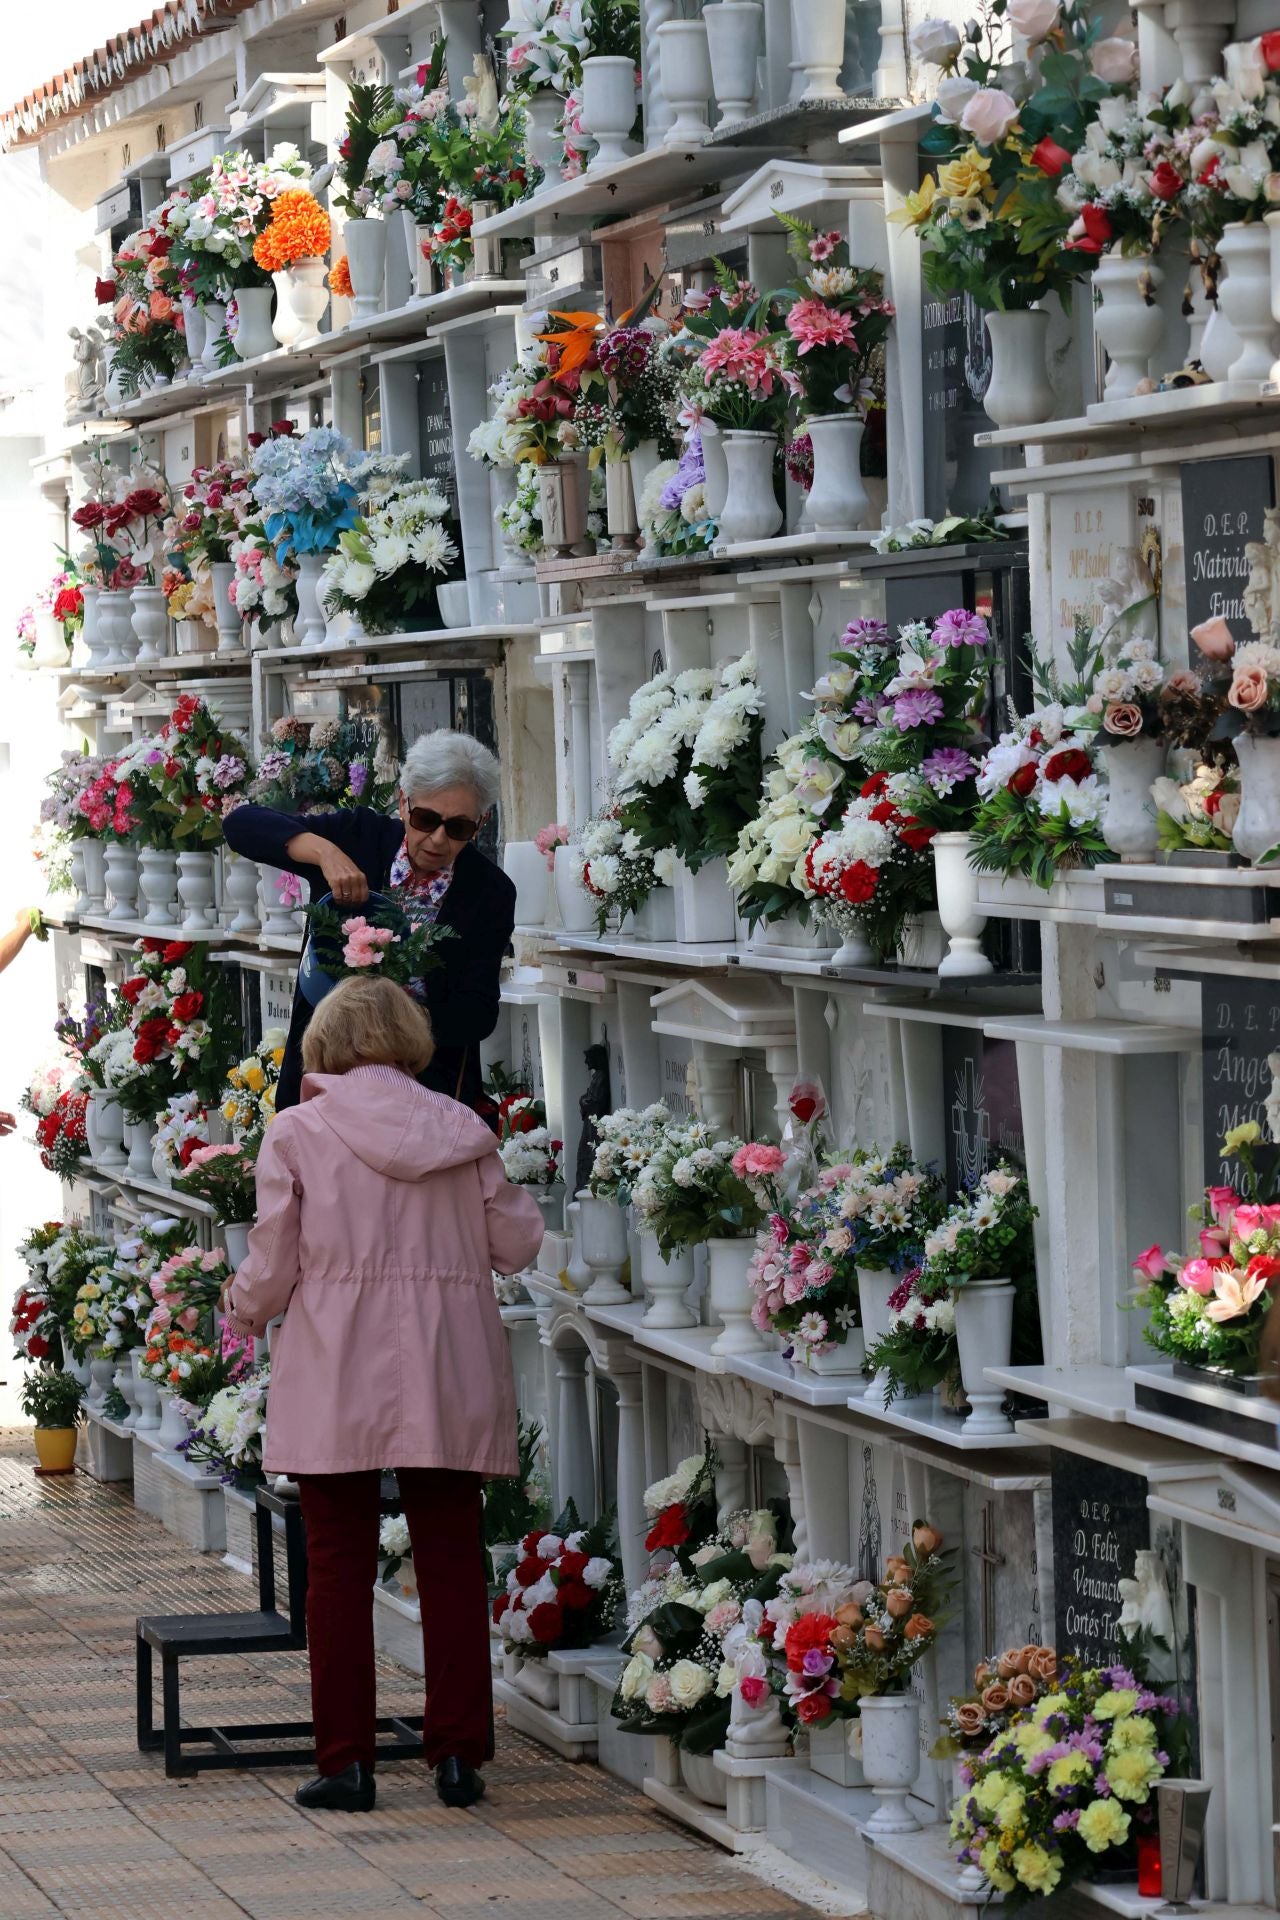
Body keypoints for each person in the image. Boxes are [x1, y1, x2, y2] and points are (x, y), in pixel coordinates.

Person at [223, 975, 544, 1813]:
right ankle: (457, 1756)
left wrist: (239, 1306)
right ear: (409, 1041)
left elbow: (272, 1262)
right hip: (449, 1362)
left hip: (336, 1362)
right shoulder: (463, 1129)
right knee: (449, 1555)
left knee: (334, 1565)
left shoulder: (297, 1131)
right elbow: (516, 1244)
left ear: (325, 1045)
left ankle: (347, 1762)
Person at [223, 729, 514, 1115]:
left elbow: (478, 1013)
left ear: (482, 822)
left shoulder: (489, 890)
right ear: (403, 803)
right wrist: (325, 853)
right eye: (426, 819)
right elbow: (241, 825)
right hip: (322, 1082)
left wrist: (391, 1019)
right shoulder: (360, 838)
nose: (438, 839)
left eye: (459, 828)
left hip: (424, 1096)